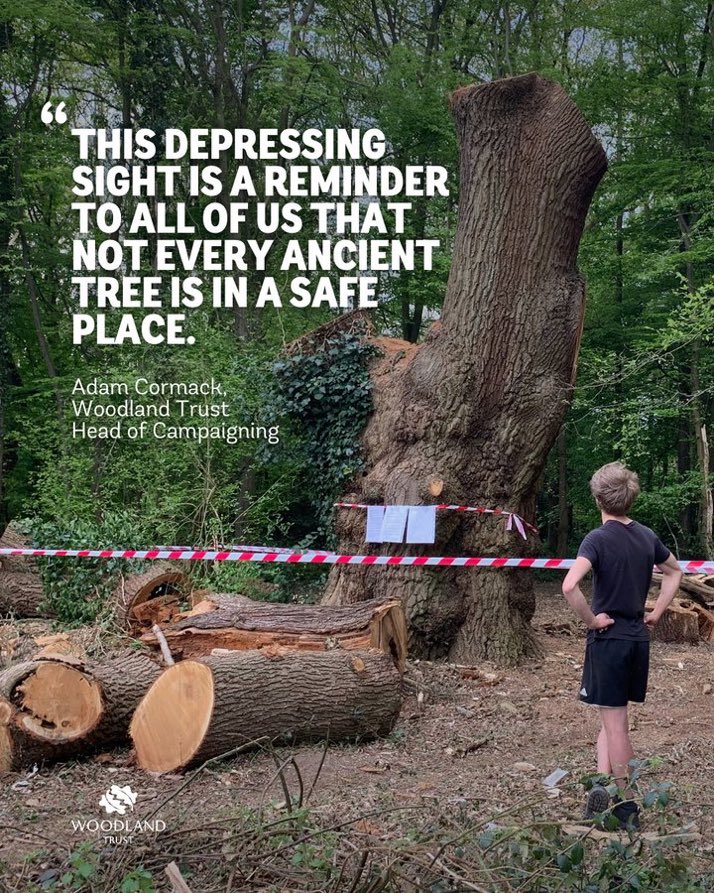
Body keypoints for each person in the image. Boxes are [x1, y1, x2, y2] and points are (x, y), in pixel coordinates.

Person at [561, 462, 683, 829]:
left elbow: (569, 586)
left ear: (598, 498)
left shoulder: (596, 539)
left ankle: (626, 807)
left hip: (609, 639)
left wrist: (591, 620)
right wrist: (657, 611)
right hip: (636, 640)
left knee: (617, 727)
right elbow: (675, 571)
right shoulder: (647, 536)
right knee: (610, 715)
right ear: (632, 498)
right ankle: (600, 791)